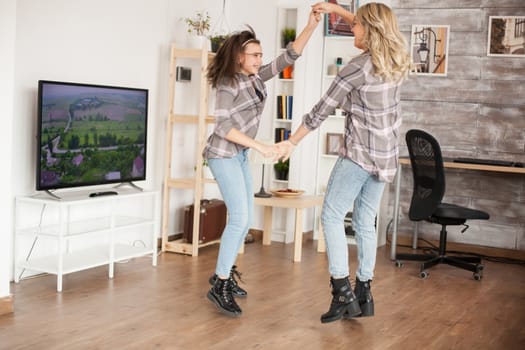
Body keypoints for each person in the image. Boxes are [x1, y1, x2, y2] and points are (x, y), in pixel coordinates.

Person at [277, 2, 411, 323]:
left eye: (355, 25)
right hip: (386, 156)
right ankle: (364, 292)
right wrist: (337, 9)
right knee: (365, 221)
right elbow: (375, 27)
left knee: (332, 216)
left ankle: (342, 291)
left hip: (360, 154)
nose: (351, 27)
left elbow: (320, 111)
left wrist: (291, 142)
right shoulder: (394, 59)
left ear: (370, 31)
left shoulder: (356, 68)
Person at [203, 11, 321, 317]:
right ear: (239, 56)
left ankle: (223, 273)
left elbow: (289, 56)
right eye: (254, 54)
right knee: (240, 218)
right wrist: (260, 146)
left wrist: (310, 26)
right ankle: (220, 284)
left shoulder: (254, 77)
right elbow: (222, 127)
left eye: (260, 55)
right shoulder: (227, 84)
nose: (259, 59)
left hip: (238, 155)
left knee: (245, 218)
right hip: (222, 154)